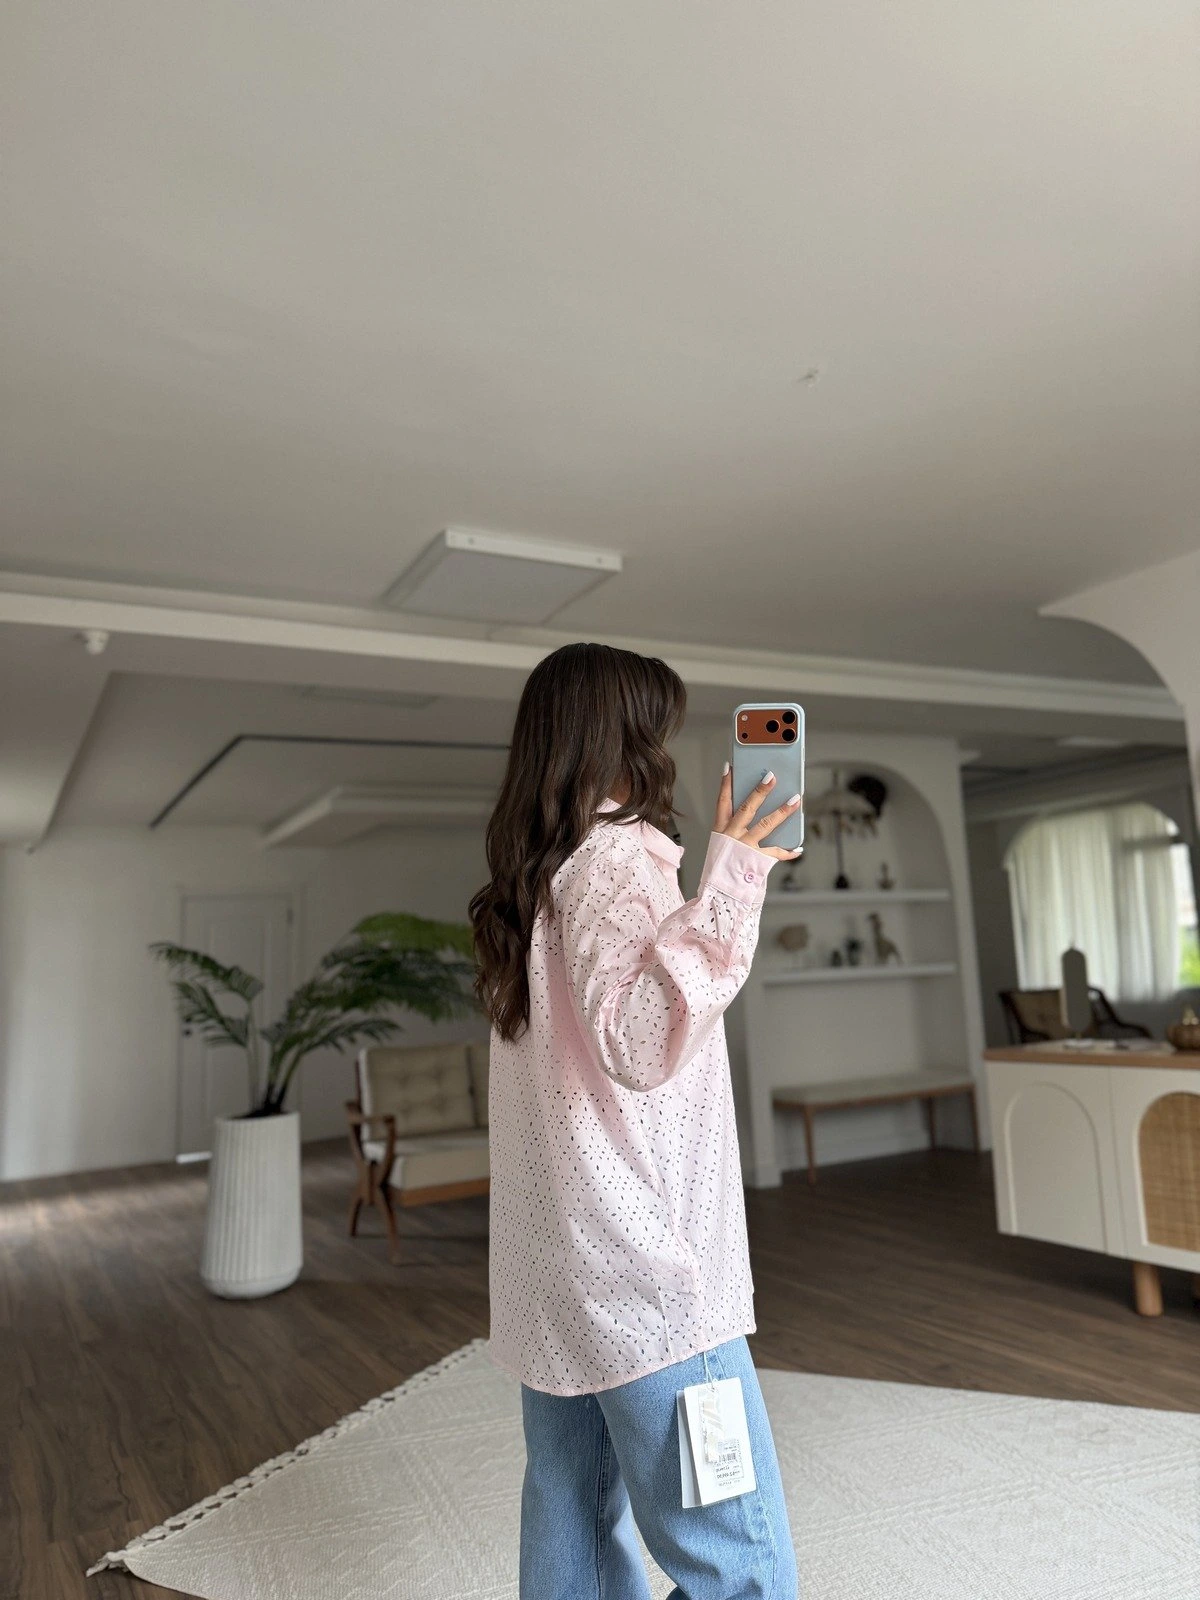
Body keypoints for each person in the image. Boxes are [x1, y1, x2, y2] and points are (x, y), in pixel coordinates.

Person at [470, 641, 801, 1600]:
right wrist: (733, 880)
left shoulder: (539, 881)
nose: (663, 748)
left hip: (562, 1276)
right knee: (740, 1564)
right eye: (655, 726)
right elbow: (641, 1041)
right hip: (648, 1273)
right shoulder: (617, 860)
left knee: (573, 1521)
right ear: (618, 738)